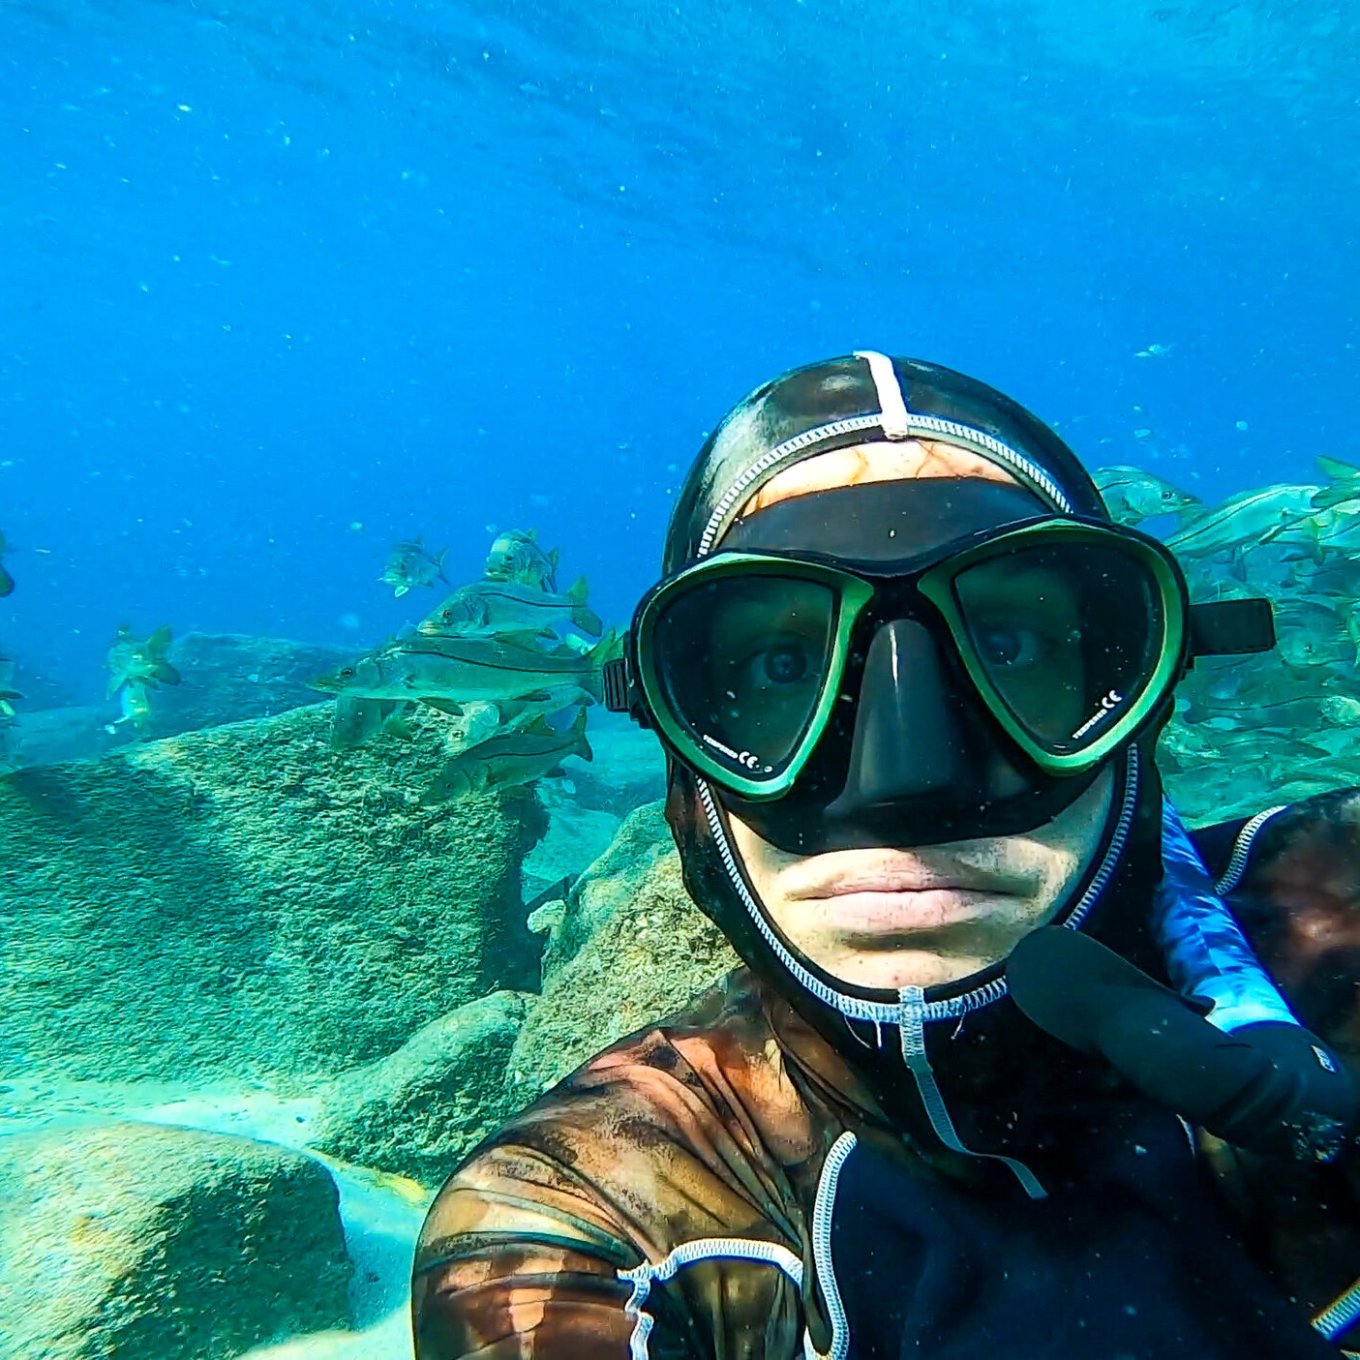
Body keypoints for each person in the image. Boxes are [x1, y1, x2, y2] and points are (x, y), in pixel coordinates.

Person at [411, 352, 1360, 1358]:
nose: (905, 783)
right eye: (780, 667)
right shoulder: (582, 1221)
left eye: (1010, 648)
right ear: (678, 744)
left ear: (1140, 695)